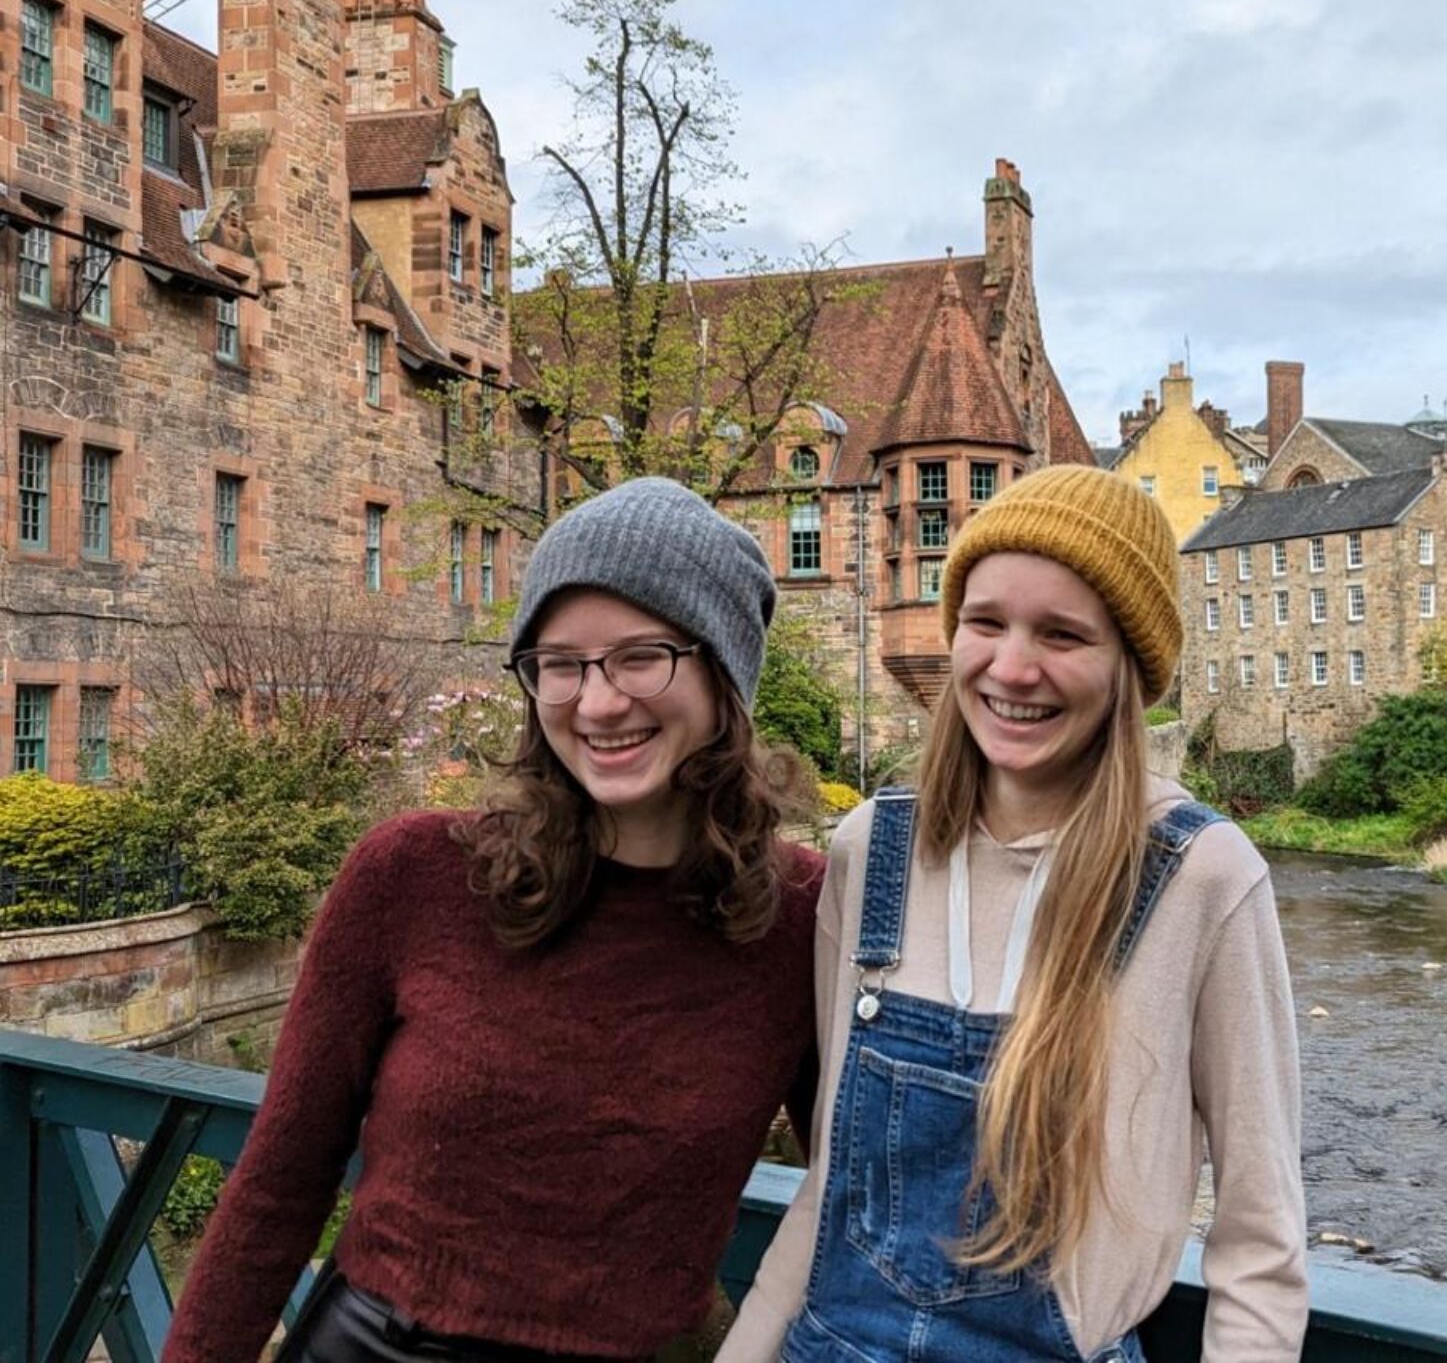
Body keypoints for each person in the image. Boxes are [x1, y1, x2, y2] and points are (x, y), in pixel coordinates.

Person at [165, 478, 823, 1363]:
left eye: (641, 656)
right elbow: (279, 1184)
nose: (596, 703)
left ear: (724, 670)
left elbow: (870, 1201)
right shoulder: (416, 875)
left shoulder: (804, 919)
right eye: (560, 662)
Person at [720, 465, 1306, 1363]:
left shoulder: (1201, 877)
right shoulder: (870, 850)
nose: (1012, 666)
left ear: (1127, 670)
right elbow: (832, 1179)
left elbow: (1260, 1242)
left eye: (1063, 634)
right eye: (986, 622)